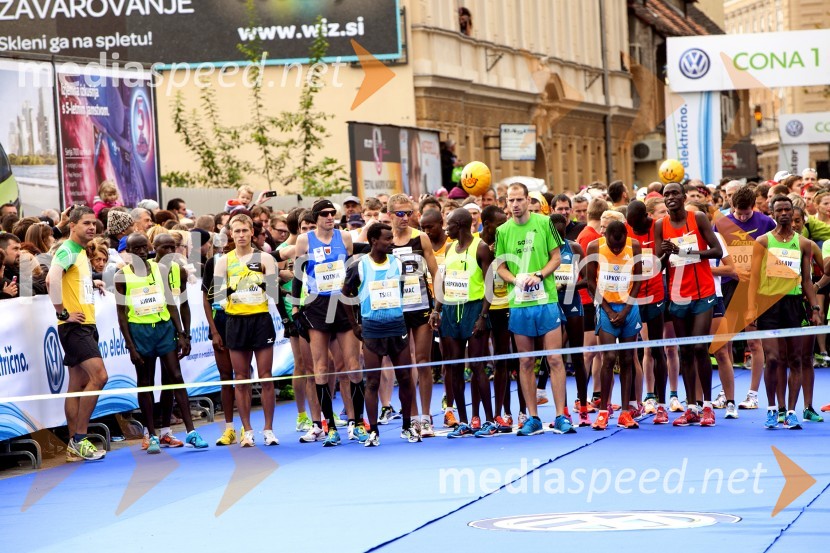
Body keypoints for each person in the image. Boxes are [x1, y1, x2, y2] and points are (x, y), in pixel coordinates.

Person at [115, 233, 208, 453]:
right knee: (145, 381)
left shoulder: (161, 270)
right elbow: (121, 314)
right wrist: (130, 345)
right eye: (134, 249)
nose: (139, 252)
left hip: (164, 328)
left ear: (148, 248)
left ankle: (191, 432)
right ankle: (152, 434)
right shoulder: (122, 276)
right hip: (140, 332)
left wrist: (182, 334)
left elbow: (172, 305)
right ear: (128, 252)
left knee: (175, 376)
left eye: (142, 248)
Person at [495, 182, 575, 435]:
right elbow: (500, 267)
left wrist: (539, 275)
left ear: (528, 200)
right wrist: (515, 279)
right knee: (526, 360)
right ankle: (533, 417)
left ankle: (561, 415)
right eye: (511, 200)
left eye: (519, 200)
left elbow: (556, 257)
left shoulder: (544, 223)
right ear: (506, 203)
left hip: (547, 300)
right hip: (519, 303)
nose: (516, 205)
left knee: (554, 358)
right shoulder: (503, 231)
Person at [292, 199, 364, 446]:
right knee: (320, 367)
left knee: (351, 365)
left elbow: (352, 272)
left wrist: (356, 301)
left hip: (342, 303)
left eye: (333, 213)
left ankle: (356, 422)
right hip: (316, 304)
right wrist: (294, 306)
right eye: (324, 213)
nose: (330, 216)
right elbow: (298, 275)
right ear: (315, 217)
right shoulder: (304, 240)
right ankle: (330, 426)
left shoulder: (344, 238)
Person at [341, 223, 419, 446]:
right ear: (374, 240)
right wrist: (355, 325)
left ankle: (406, 426)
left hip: (396, 327)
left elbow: (401, 292)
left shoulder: (398, 264)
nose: (391, 242)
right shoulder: (360, 266)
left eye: (391, 237)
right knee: (372, 381)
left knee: (405, 378)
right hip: (372, 329)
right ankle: (373, 430)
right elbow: (345, 294)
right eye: (387, 238)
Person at [749, 196, 822, 430]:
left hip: (793, 305)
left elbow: (808, 280)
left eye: (786, 209)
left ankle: (791, 412)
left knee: (796, 359)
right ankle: (773, 409)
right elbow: (753, 279)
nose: (783, 213)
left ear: (793, 213)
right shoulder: (762, 241)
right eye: (778, 210)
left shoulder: (803, 243)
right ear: (772, 213)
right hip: (769, 305)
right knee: (773, 359)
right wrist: (751, 309)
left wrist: (815, 308)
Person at [655, 182, 722, 427]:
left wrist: (683, 251)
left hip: (703, 292)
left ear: (683, 197)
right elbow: (658, 264)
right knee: (684, 351)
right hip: (677, 296)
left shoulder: (699, 218)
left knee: (699, 349)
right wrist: (663, 255)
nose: (670, 197)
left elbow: (716, 251)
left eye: (674, 193)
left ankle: (707, 406)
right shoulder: (660, 225)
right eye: (666, 195)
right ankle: (691, 406)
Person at [45, 206, 107, 461]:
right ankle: (80, 439)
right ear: (72, 225)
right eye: (86, 223)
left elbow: (70, 280)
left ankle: (74, 444)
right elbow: (51, 279)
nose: (92, 228)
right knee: (100, 376)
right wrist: (62, 313)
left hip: (86, 324)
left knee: (77, 385)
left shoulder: (80, 252)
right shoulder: (68, 249)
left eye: (94, 223)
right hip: (74, 327)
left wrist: (92, 283)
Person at [213, 214, 280, 447]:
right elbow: (218, 298)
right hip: (236, 321)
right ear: (231, 234)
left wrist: (260, 283)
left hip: (260, 319)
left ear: (252, 232)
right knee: (240, 379)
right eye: (236, 231)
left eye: (244, 230)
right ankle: (247, 430)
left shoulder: (265, 258)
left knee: (266, 377)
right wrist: (233, 290)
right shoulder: (223, 261)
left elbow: (273, 293)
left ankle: (268, 429)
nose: (241, 235)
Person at [430, 208, 494, 437]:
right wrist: (436, 310)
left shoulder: (481, 247)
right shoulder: (448, 248)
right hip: (450, 310)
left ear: (459, 224)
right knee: (453, 367)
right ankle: (463, 421)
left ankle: (489, 420)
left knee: (477, 366)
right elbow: (444, 282)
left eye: (449, 224)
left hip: (473, 308)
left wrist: (483, 316)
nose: (446, 228)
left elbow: (490, 286)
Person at [713, 186, 775, 411]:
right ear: (731, 207)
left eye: (746, 214)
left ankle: (753, 394)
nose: (742, 217)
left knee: (754, 342)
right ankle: (724, 392)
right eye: (738, 214)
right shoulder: (720, 224)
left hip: (755, 289)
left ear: (754, 207)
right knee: (725, 342)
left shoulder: (767, 222)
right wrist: (732, 270)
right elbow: (715, 256)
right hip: (729, 287)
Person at [388, 194, 439, 437]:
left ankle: (426, 417)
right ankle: (413, 417)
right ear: (389, 215)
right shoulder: (384, 242)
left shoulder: (422, 238)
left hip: (420, 306)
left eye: (409, 213)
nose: (405, 218)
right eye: (399, 213)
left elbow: (435, 273)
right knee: (405, 365)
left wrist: (438, 307)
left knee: (423, 361)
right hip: (396, 310)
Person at [586, 221, 642, 430]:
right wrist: (608, 310)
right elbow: (591, 282)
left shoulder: (634, 246)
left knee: (628, 358)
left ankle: (625, 412)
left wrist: (627, 310)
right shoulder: (594, 247)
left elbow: (638, 279)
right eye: (613, 246)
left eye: (620, 246)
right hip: (605, 307)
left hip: (629, 308)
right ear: (606, 236)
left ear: (626, 237)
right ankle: (603, 411)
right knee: (608, 358)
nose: (617, 249)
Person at [625, 201, 670, 424]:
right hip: (631, 297)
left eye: (637, 224)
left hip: (655, 294)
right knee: (631, 351)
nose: (634, 229)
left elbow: (665, 257)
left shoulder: (658, 227)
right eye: (631, 225)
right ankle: (634, 403)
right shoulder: (626, 229)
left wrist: (655, 264)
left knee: (657, 349)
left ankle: (661, 405)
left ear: (646, 216)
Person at [202, 231, 238, 445]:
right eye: (221, 247)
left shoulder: (251, 260)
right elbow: (206, 299)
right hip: (222, 321)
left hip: (244, 320)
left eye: (228, 246)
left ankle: (247, 428)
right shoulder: (212, 264)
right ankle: (229, 428)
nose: (224, 250)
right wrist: (214, 331)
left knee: (243, 377)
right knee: (226, 377)